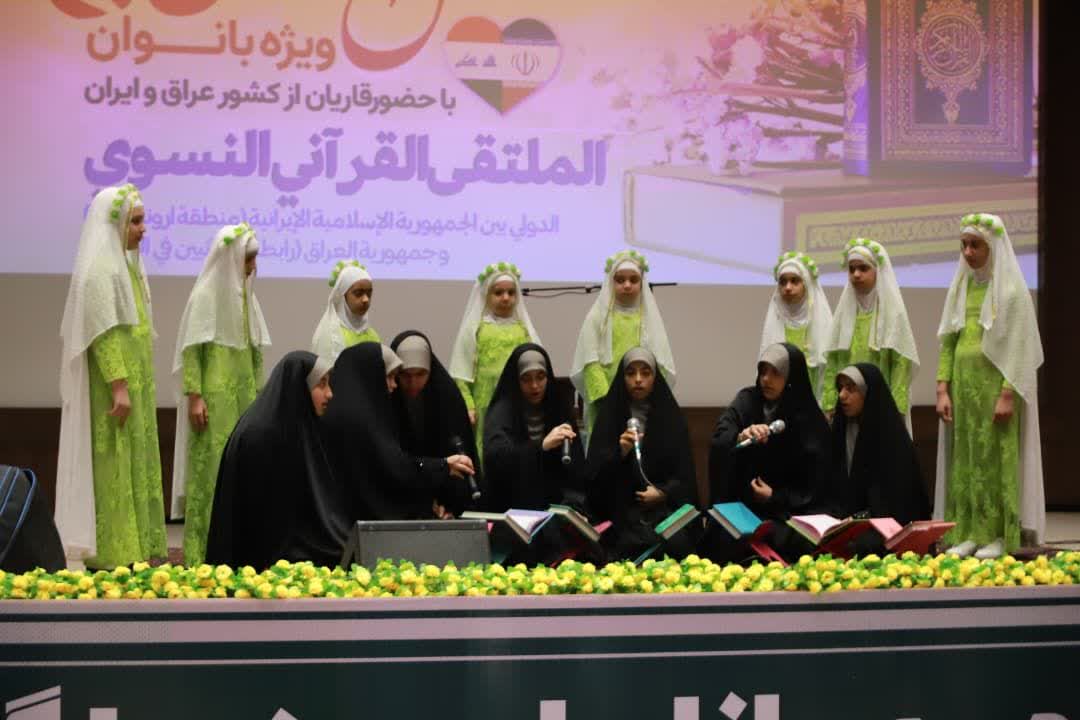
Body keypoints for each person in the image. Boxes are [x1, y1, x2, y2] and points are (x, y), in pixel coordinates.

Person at [55, 184, 167, 568]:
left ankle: (135, 550)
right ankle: (113, 554)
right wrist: (119, 385)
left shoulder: (126, 266)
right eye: (135, 221)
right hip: (114, 387)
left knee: (133, 460)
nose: (142, 229)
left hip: (135, 381)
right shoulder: (100, 271)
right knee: (114, 464)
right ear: (115, 223)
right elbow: (102, 333)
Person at [935, 213, 1044, 558]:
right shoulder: (961, 287)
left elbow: (1019, 346)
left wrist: (1007, 393)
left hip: (996, 388)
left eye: (976, 245)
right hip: (964, 389)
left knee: (996, 460)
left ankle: (998, 534)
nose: (968, 252)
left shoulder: (1011, 290)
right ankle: (969, 531)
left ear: (993, 247)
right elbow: (949, 341)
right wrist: (942, 388)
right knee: (967, 459)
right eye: (964, 245)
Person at [170, 222, 271, 566]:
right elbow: (192, 350)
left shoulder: (247, 300)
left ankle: (236, 550)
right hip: (212, 402)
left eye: (254, 259)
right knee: (211, 475)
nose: (253, 267)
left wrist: (259, 397)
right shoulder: (205, 295)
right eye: (247, 259)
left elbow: (256, 353)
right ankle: (202, 554)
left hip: (243, 400)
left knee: (241, 473)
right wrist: (195, 395)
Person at [205, 352, 344, 570]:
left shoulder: (294, 425)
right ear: (299, 386)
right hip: (260, 563)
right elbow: (266, 524)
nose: (330, 394)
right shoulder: (262, 435)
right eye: (321, 384)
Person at [322, 343, 475, 520]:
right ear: (371, 375)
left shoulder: (349, 412)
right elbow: (393, 469)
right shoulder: (359, 420)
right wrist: (443, 466)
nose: (394, 385)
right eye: (389, 376)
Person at [708, 343, 830, 560]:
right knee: (720, 537)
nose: (766, 379)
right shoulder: (747, 399)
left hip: (787, 513)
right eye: (763, 371)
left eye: (775, 373)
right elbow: (721, 437)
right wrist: (740, 436)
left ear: (791, 377)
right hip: (745, 507)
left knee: (795, 541)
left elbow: (815, 485)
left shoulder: (808, 417)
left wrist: (775, 497)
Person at [586, 347, 695, 561]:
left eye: (645, 373)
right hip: (620, 513)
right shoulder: (609, 416)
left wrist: (664, 493)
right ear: (622, 378)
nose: (638, 379)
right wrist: (620, 453)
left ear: (655, 378)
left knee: (677, 543)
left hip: (664, 513)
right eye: (631, 373)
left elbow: (686, 477)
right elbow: (593, 480)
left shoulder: (671, 418)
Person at [570, 250, 675, 440]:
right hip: (605, 402)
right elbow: (589, 360)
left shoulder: (648, 319)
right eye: (620, 280)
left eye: (633, 280)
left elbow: (659, 361)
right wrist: (608, 399)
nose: (627, 285)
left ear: (642, 283)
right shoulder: (597, 317)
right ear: (611, 282)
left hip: (641, 400)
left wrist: (647, 392)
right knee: (607, 448)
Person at [821, 365, 930, 536]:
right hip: (844, 522)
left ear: (868, 393)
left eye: (850, 388)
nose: (842, 395)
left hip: (887, 525)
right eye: (840, 388)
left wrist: (858, 518)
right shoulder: (840, 429)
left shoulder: (890, 435)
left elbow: (897, 502)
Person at [822, 238, 919, 427]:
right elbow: (833, 360)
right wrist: (830, 402)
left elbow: (900, 363)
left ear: (877, 271)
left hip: (881, 407)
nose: (856, 274)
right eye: (851, 269)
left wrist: (895, 409)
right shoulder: (844, 313)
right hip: (846, 405)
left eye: (863, 268)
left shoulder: (893, 312)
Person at [449, 262, 540, 456]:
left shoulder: (523, 330)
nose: (506, 298)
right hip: (485, 405)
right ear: (486, 295)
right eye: (498, 293)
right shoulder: (476, 329)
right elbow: (461, 372)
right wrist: (468, 405)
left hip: (517, 404)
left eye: (511, 292)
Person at [483, 344, 585, 513]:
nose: (535, 386)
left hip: (555, 505)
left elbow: (575, 469)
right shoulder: (502, 412)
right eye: (526, 379)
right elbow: (497, 460)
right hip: (511, 506)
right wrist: (541, 447)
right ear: (516, 380)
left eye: (540, 377)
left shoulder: (559, 407)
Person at [390, 330, 483, 513]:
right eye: (405, 375)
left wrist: (448, 506)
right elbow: (391, 461)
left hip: (445, 498)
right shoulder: (388, 398)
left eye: (421, 374)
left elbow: (459, 458)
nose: (413, 382)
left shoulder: (447, 397)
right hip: (399, 496)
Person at [758, 251, 832, 403]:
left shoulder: (821, 320)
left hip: (815, 402)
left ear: (807, 284)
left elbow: (828, 368)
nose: (788, 287)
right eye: (783, 282)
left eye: (794, 281)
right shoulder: (775, 320)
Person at [311, 260, 379, 362]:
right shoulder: (330, 335)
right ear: (342, 296)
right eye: (358, 293)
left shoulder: (372, 334)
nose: (366, 299)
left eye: (369, 294)